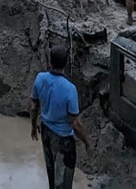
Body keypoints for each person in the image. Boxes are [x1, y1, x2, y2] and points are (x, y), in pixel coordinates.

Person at [30, 44, 91, 189]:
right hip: (63, 140)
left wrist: (33, 126)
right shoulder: (70, 89)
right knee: (63, 182)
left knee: (52, 175)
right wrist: (87, 143)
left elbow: (33, 106)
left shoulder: (40, 78)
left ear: (50, 62)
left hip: (45, 132)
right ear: (66, 62)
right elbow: (75, 124)